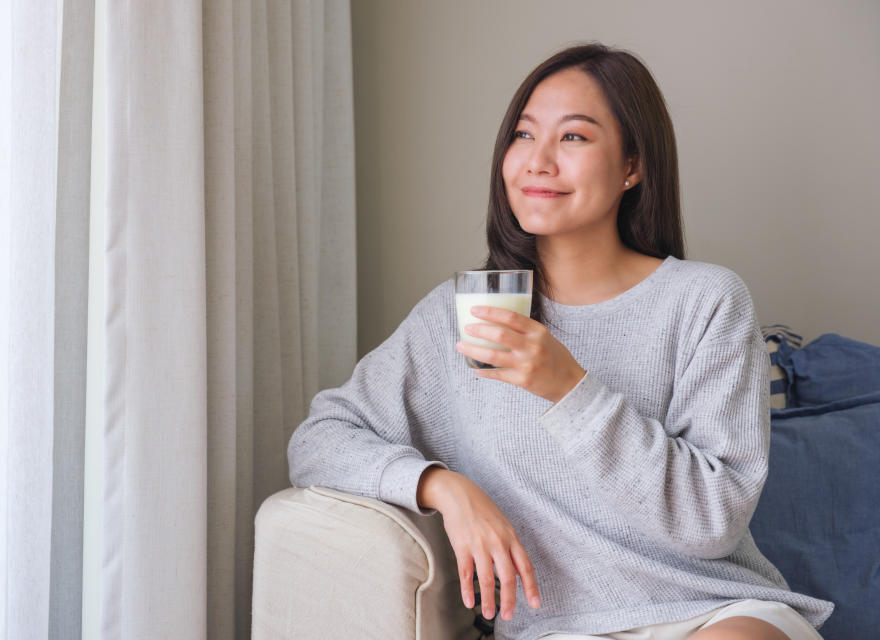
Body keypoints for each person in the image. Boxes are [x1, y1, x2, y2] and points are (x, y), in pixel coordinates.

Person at [287, 42, 833, 640]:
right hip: (560, 628)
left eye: (573, 137)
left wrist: (571, 389)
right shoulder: (462, 316)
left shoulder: (705, 301)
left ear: (633, 165)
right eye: (523, 136)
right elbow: (320, 439)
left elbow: (712, 520)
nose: (538, 161)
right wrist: (443, 486)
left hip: (714, 609)